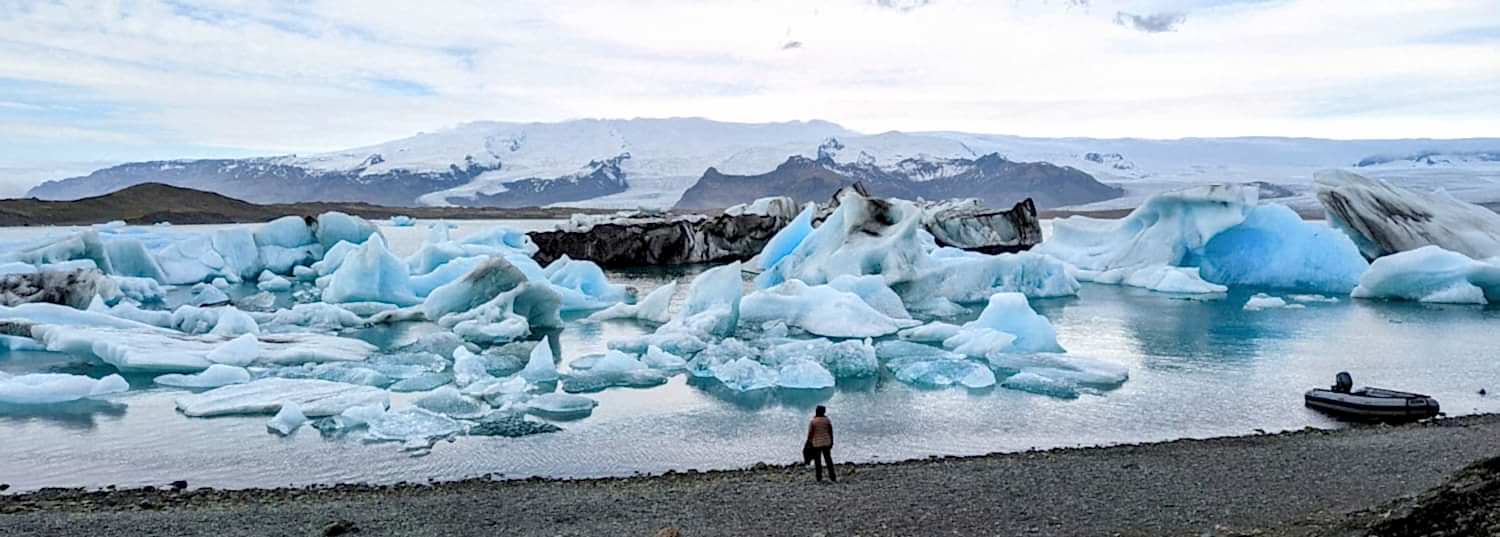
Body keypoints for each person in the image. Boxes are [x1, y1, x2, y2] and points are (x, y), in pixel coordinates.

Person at [806, 405, 836, 482]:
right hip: (826, 442)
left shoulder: (813, 421)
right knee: (828, 460)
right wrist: (832, 441)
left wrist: (809, 442)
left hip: (816, 444)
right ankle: (832, 477)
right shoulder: (827, 420)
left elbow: (810, 433)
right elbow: (830, 432)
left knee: (817, 461)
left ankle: (819, 478)